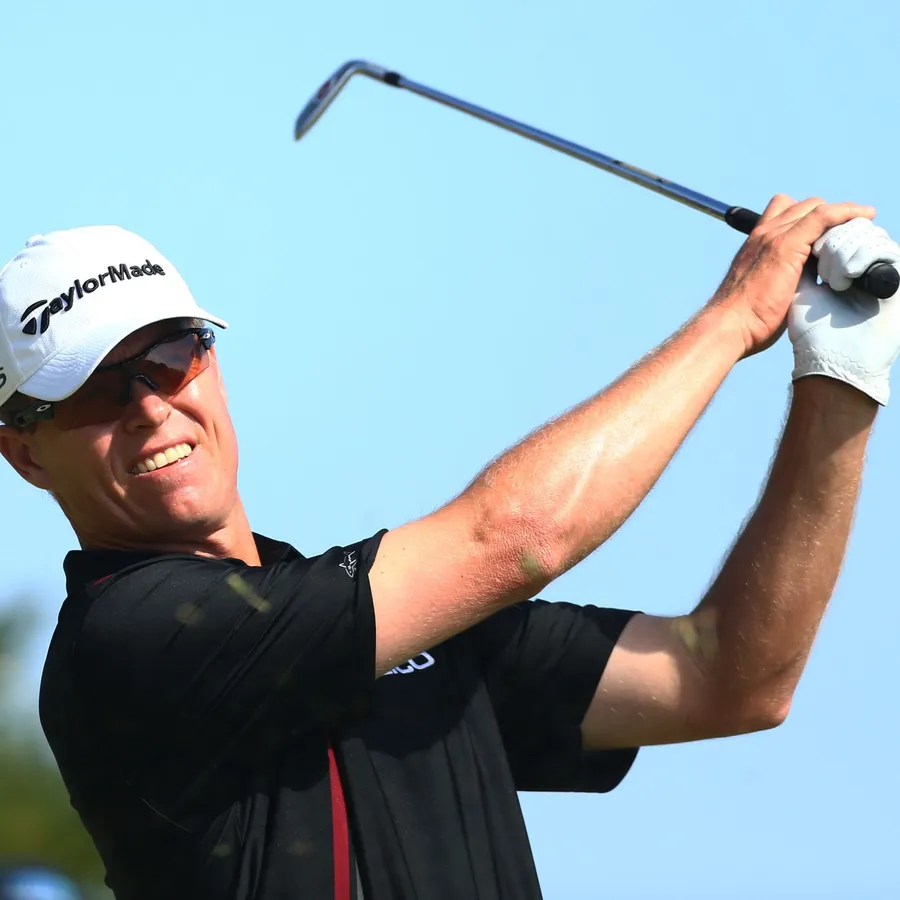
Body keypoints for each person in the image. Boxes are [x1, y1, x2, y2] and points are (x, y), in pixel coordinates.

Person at [0, 197, 897, 900]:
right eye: (94, 394)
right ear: (26, 454)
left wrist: (842, 379)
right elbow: (518, 540)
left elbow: (728, 677)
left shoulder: (403, 622)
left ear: (212, 364)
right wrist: (733, 319)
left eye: (170, 357)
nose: (151, 407)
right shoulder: (127, 637)